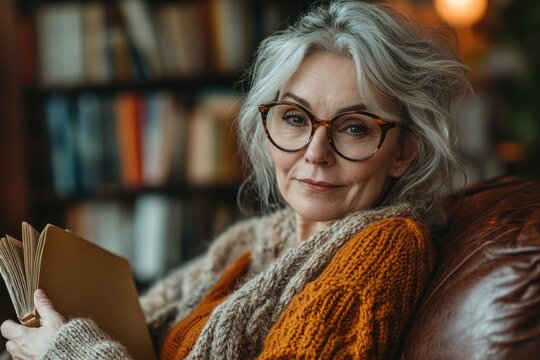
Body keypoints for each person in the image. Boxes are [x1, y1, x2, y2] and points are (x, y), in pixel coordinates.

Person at [1, 1, 471, 359]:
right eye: (294, 118)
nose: (314, 153)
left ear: (404, 153)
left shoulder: (388, 246)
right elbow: (132, 328)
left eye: (354, 127)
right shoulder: (255, 241)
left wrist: (67, 351)